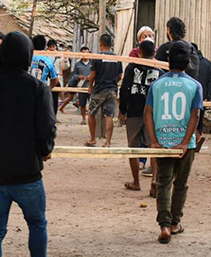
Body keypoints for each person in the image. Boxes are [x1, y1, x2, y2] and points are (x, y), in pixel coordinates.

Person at [0, 31, 57, 257]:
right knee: (37, 223)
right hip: (27, 173)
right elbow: (47, 128)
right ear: (28, 56)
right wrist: (45, 151)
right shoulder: (38, 88)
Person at [144, 41, 203, 244]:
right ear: (188, 63)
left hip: (162, 141)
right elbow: (195, 115)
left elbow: (148, 113)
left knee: (163, 183)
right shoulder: (195, 86)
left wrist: (153, 140)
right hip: (185, 143)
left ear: (167, 61)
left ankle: (163, 224)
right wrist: (186, 142)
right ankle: (175, 222)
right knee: (181, 184)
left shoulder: (157, 85)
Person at [120, 40, 164, 194]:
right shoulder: (160, 70)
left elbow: (125, 88)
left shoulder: (131, 67)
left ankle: (136, 182)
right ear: (154, 53)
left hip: (134, 111)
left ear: (139, 52)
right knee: (154, 146)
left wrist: (122, 109)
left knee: (133, 147)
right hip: (153, 113)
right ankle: (154, 182)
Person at [86, 34, 123, 148]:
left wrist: (90, 87)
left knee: (91, 113)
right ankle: (108, 142)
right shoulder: (116, 58)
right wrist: (112, 82)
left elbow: (92, 75)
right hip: (112, 89)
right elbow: (120, 76)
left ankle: (93, 139)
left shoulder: (97, 57)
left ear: (101, 44)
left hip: (99, 89)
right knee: (109, 116)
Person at [59, 47, 91, 125]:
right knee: (82, 103)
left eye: (86, 53)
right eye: (83, 53)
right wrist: (79, 76)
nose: (85, 55)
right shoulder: (78, 64)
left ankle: (91, 119)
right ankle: (84, 119)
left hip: (91, 86)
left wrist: (92, 77)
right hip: (81, 86)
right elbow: (74, 75)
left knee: (92, 103)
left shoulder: (93, 63)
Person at [191, 42, 211, 148]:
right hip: (203, 96)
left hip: (190, 96)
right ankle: (198, 136)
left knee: (191, 117)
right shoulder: (207, 63)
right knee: (199, 118)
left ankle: (195, 138)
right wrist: (208, 96)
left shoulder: (189, 63)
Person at [30, 35, 59, 115]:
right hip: (41, 92)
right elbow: (55, 80)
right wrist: (48, 89)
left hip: (27, 91)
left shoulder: (27, 58)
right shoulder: (48, 61)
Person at [47, 39, 71, 115]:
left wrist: (65, 58)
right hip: (47, 79)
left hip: (57, 80)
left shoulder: (59, 56)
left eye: (53, 46)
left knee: (55, 99)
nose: (52, 48)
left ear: (56, 47)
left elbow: (65, 67)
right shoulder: (45, 55)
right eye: (50, 47)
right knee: (47, 98)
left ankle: (54, 116)